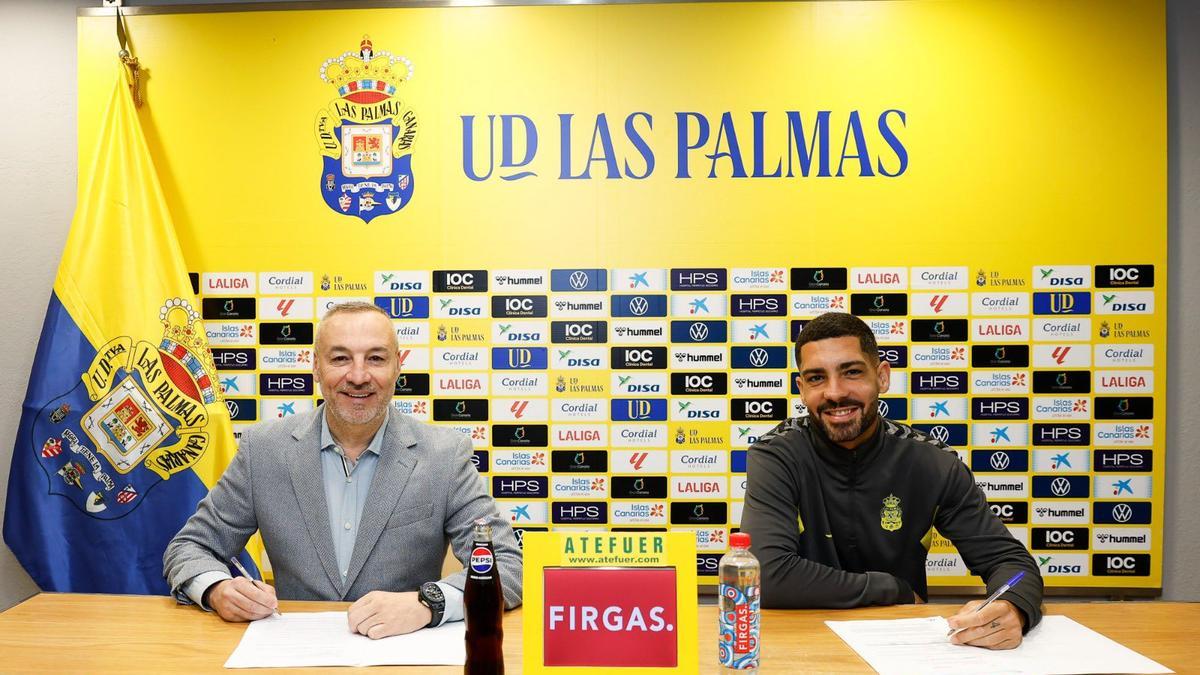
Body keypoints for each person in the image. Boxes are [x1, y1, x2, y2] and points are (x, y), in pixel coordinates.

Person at [164, 301, 522, 637]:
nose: (358, 375)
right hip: (293, 656)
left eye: (376, 358)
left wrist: (428, 603)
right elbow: (190, 547)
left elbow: (506, 565)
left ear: (398, 365)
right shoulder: (264, 450)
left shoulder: (444, 456)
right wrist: (216, 589)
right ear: (316, 366)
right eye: (340, 358)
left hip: (401, 657)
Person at [740, 312, 1042, 650]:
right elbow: (764, 575)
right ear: (801, 388)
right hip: (802, 646)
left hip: (905, 648)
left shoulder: (933, 462)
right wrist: (891, 588)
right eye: (816, 378)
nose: (835, 393)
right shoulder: (777, 454)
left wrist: (1013, 605)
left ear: (882, 376)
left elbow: (1012, 565)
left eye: (852, 372)